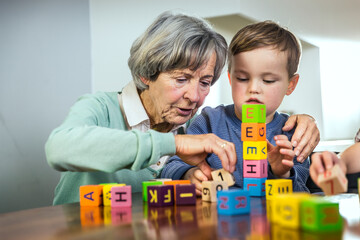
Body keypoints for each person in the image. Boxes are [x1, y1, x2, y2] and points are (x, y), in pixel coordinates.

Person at [46, 12, 318, 205]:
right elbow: (59, 148)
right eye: (181, 79)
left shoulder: (193, 125)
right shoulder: (100, 108)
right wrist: (172, 145)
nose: (194, 96)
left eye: (205, 82)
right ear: (147, 74)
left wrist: (303, 121)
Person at [161, 21, 315, 195]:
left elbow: (302, 193)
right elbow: (172, 165)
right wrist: (188, 174)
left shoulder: (293, 135)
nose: (254, 88)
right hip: (215, 218)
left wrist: (282, 173)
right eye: (242, 78)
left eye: (268, 80)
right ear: (230, 78)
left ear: (291, 85)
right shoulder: (209, 121)